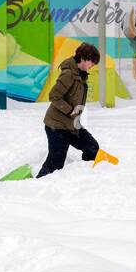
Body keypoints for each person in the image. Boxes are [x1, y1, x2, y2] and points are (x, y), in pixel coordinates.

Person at [37, 43, 116, 178]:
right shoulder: (69, 74)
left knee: (92, 148)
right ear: (84, 58)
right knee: (55, 163)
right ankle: (36, 185)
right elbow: (54, 96)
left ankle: (83, 175)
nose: (93, 65)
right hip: (57, 125)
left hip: (72, 125)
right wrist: (69, 111)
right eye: (92, 62)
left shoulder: (80, 74)